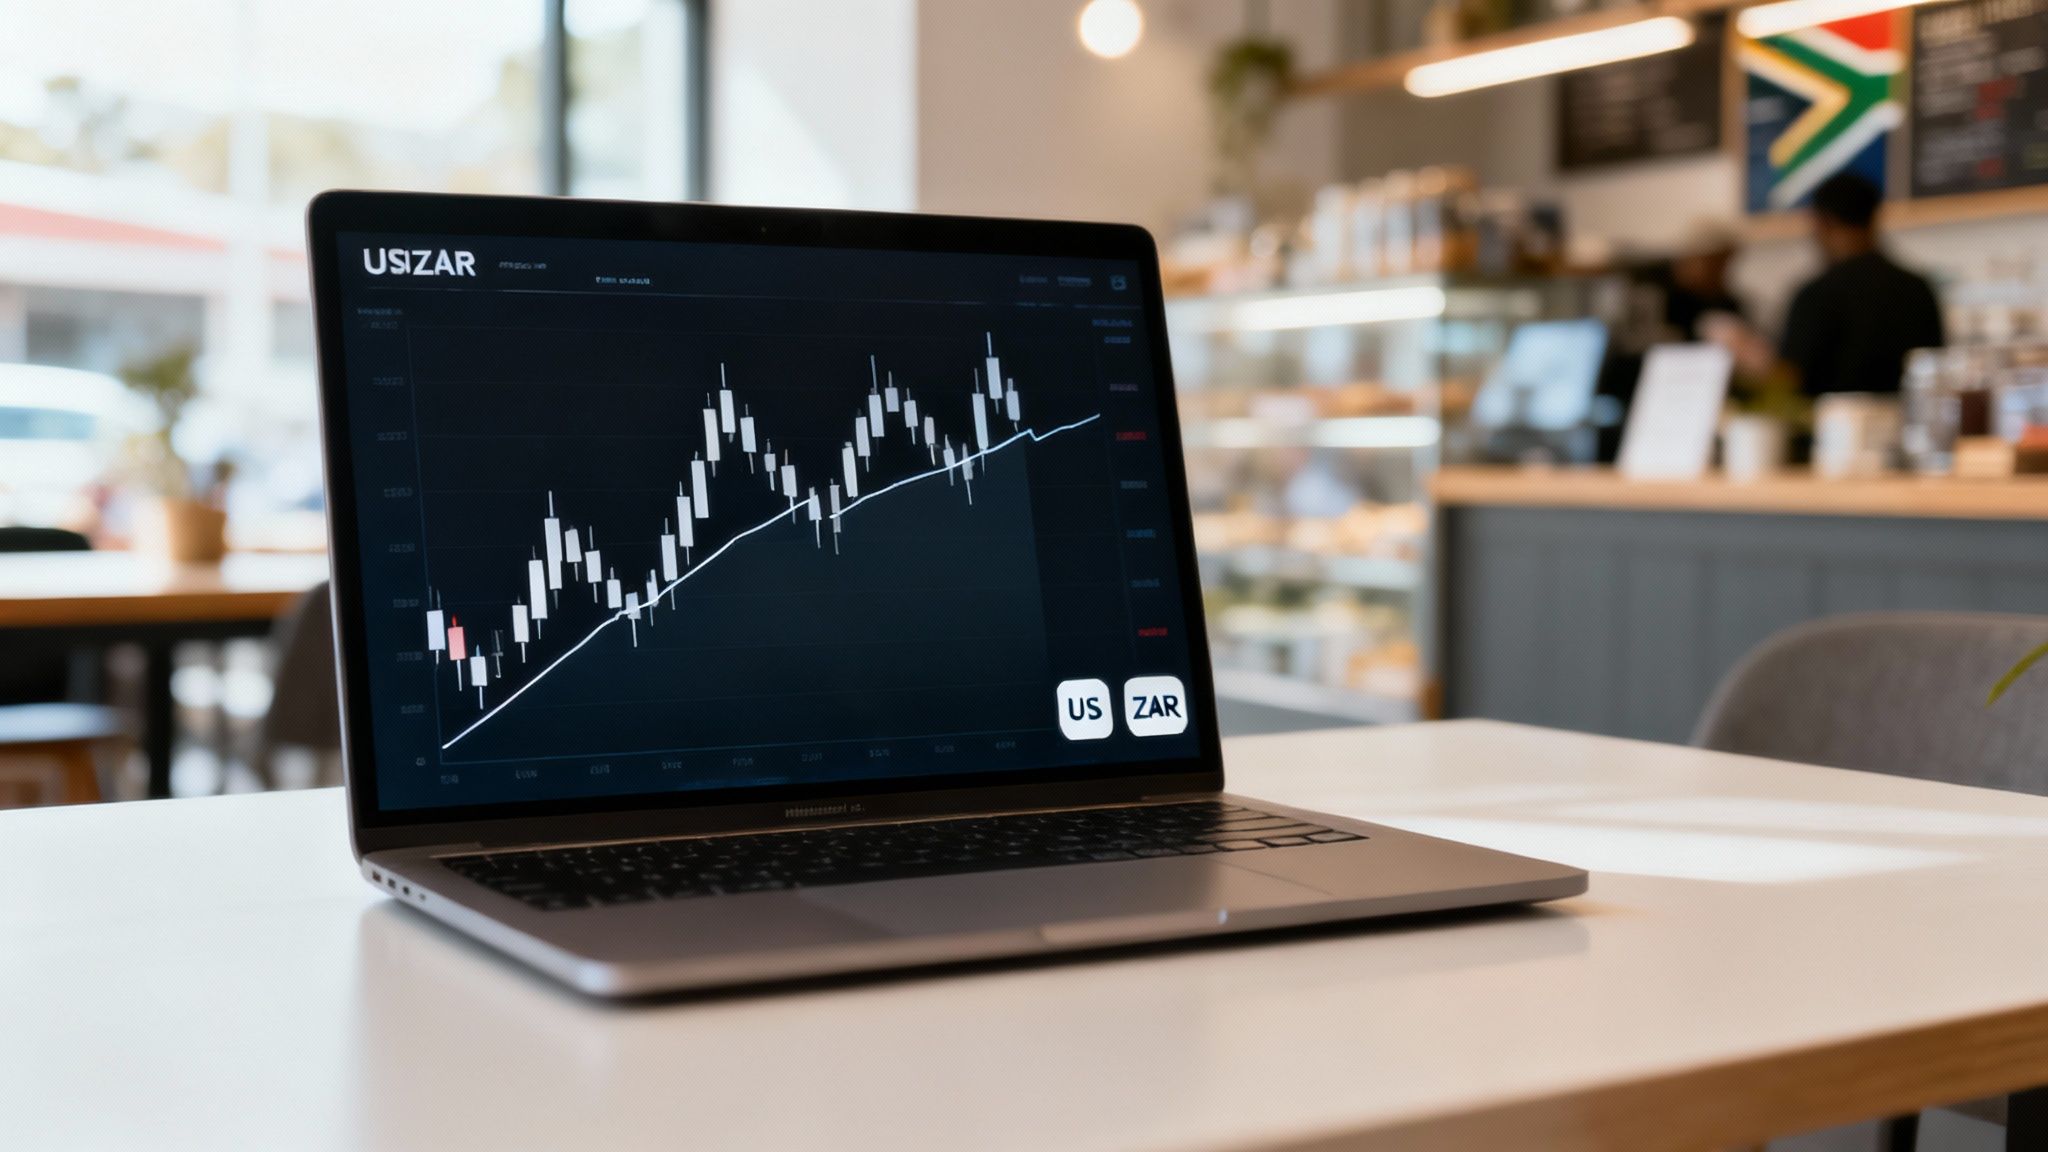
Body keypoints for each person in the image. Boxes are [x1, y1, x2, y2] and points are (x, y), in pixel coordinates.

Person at [1778, 172, 1944, 395]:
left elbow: (1790, 381)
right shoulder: (1918, 289)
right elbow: (1935, 371)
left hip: (1829, 417)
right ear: (1874, 218)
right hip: (1904, 415)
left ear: (1823, 223)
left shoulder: (1815, 294)